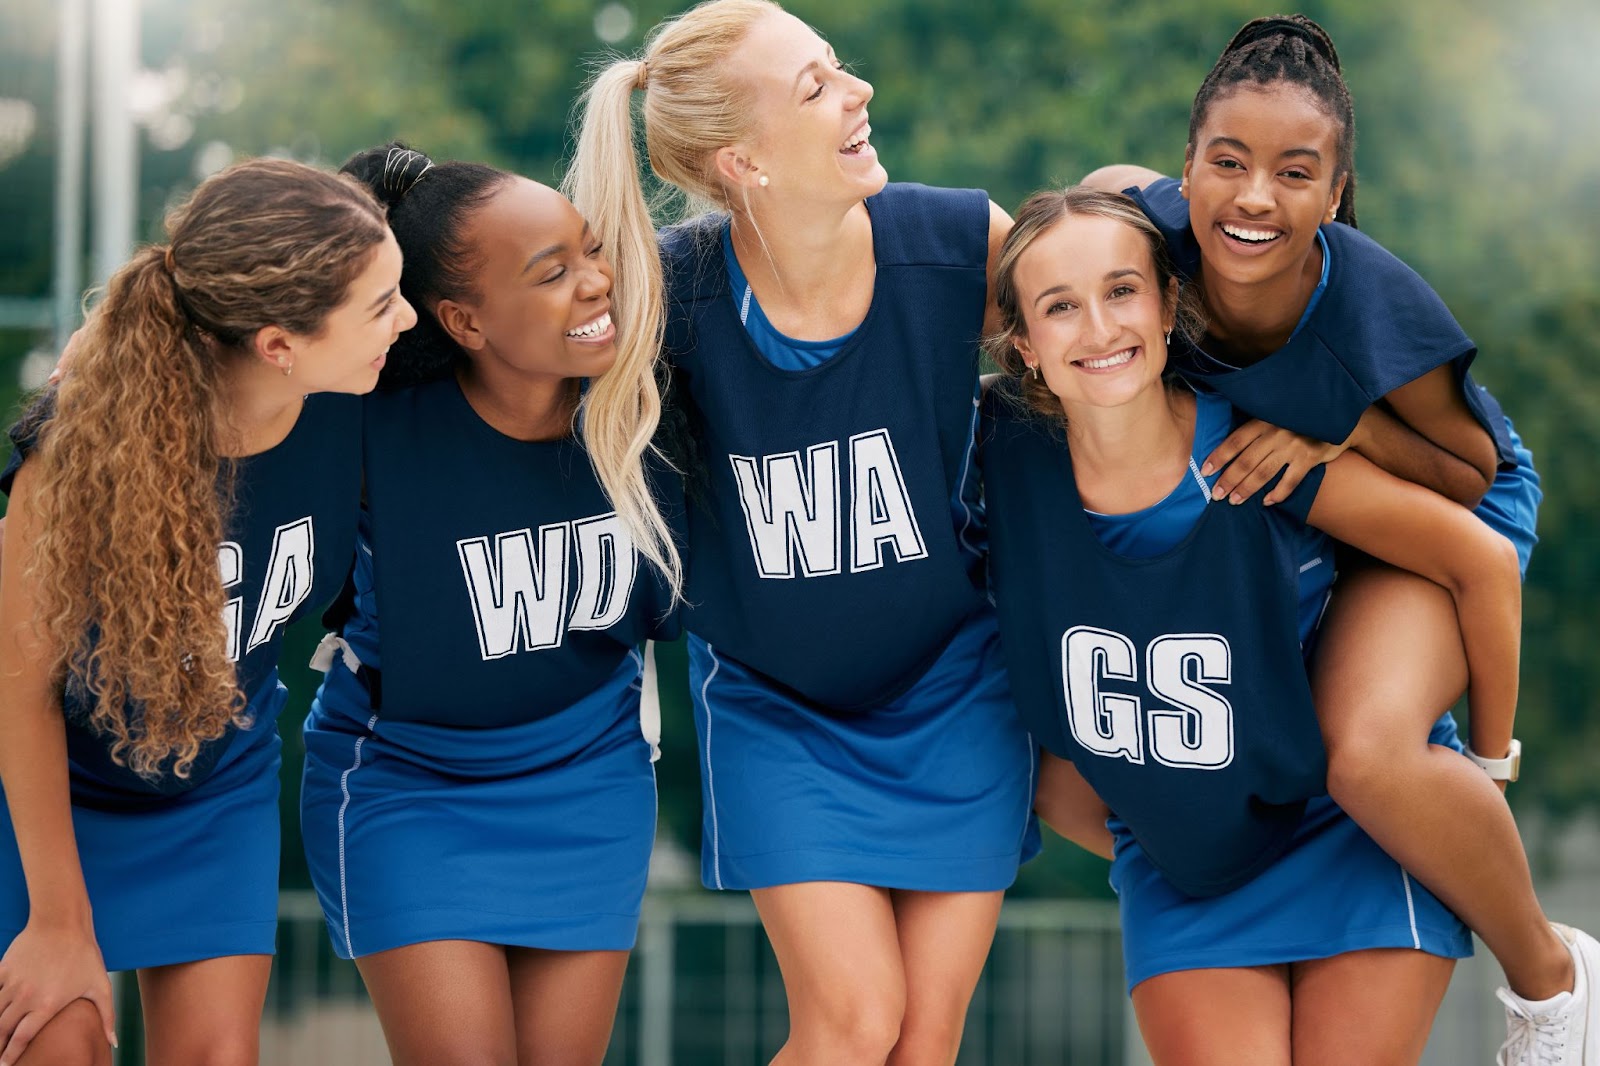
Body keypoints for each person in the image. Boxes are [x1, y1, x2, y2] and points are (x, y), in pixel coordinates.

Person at [1083, 17, 1596, 1065]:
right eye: (1226, 163)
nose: (1254, 196)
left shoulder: (1374, 310)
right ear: (1185, 167)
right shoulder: (1137, 229)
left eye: (1293, 172)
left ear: (1333, 192)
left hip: (1435, 500)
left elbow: (1471, 477)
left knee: (1366, 753)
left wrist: (1340, 427)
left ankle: (1553, 983)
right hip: (1303, 501)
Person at [565, 2, 1039, 1062]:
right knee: (852, 1020)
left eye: (841, 68)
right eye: (815, 86)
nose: (857, 91)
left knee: (923, 1040)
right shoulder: (670, 296)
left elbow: (1106, 340)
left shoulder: (957, 242)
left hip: (955, 688)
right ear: (741, 160)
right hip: (778, 707)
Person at [981, 185, 1526, 1065]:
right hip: (1191, 867)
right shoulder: (994, 453)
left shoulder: (1256, 451)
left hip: (1346, 826)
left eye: (1123, 291)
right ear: (1024, 348)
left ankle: (1557, 980)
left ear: (1168, 308)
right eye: (1059, 307)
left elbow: (1478, 558)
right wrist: (1160, 819)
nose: (1099, 326)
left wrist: (1485, 772)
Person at [0, 158, 410, 1066]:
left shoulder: (352, 400)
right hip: (41, 792)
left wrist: (381, 179)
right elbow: (17, 692)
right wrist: (60, 923)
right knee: (58, 1044)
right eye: (382, 306)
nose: (408, 319)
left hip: (213, 782)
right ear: (277, 343)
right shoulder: (80, 444)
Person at [299, 143, 681, 1066]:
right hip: (406, 784)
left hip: (589, 778)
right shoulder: (367, 419)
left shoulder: (649, 404)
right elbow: (226, 357)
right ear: (465, 320)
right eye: (552, 273)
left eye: (592, 252)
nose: (595, 283)